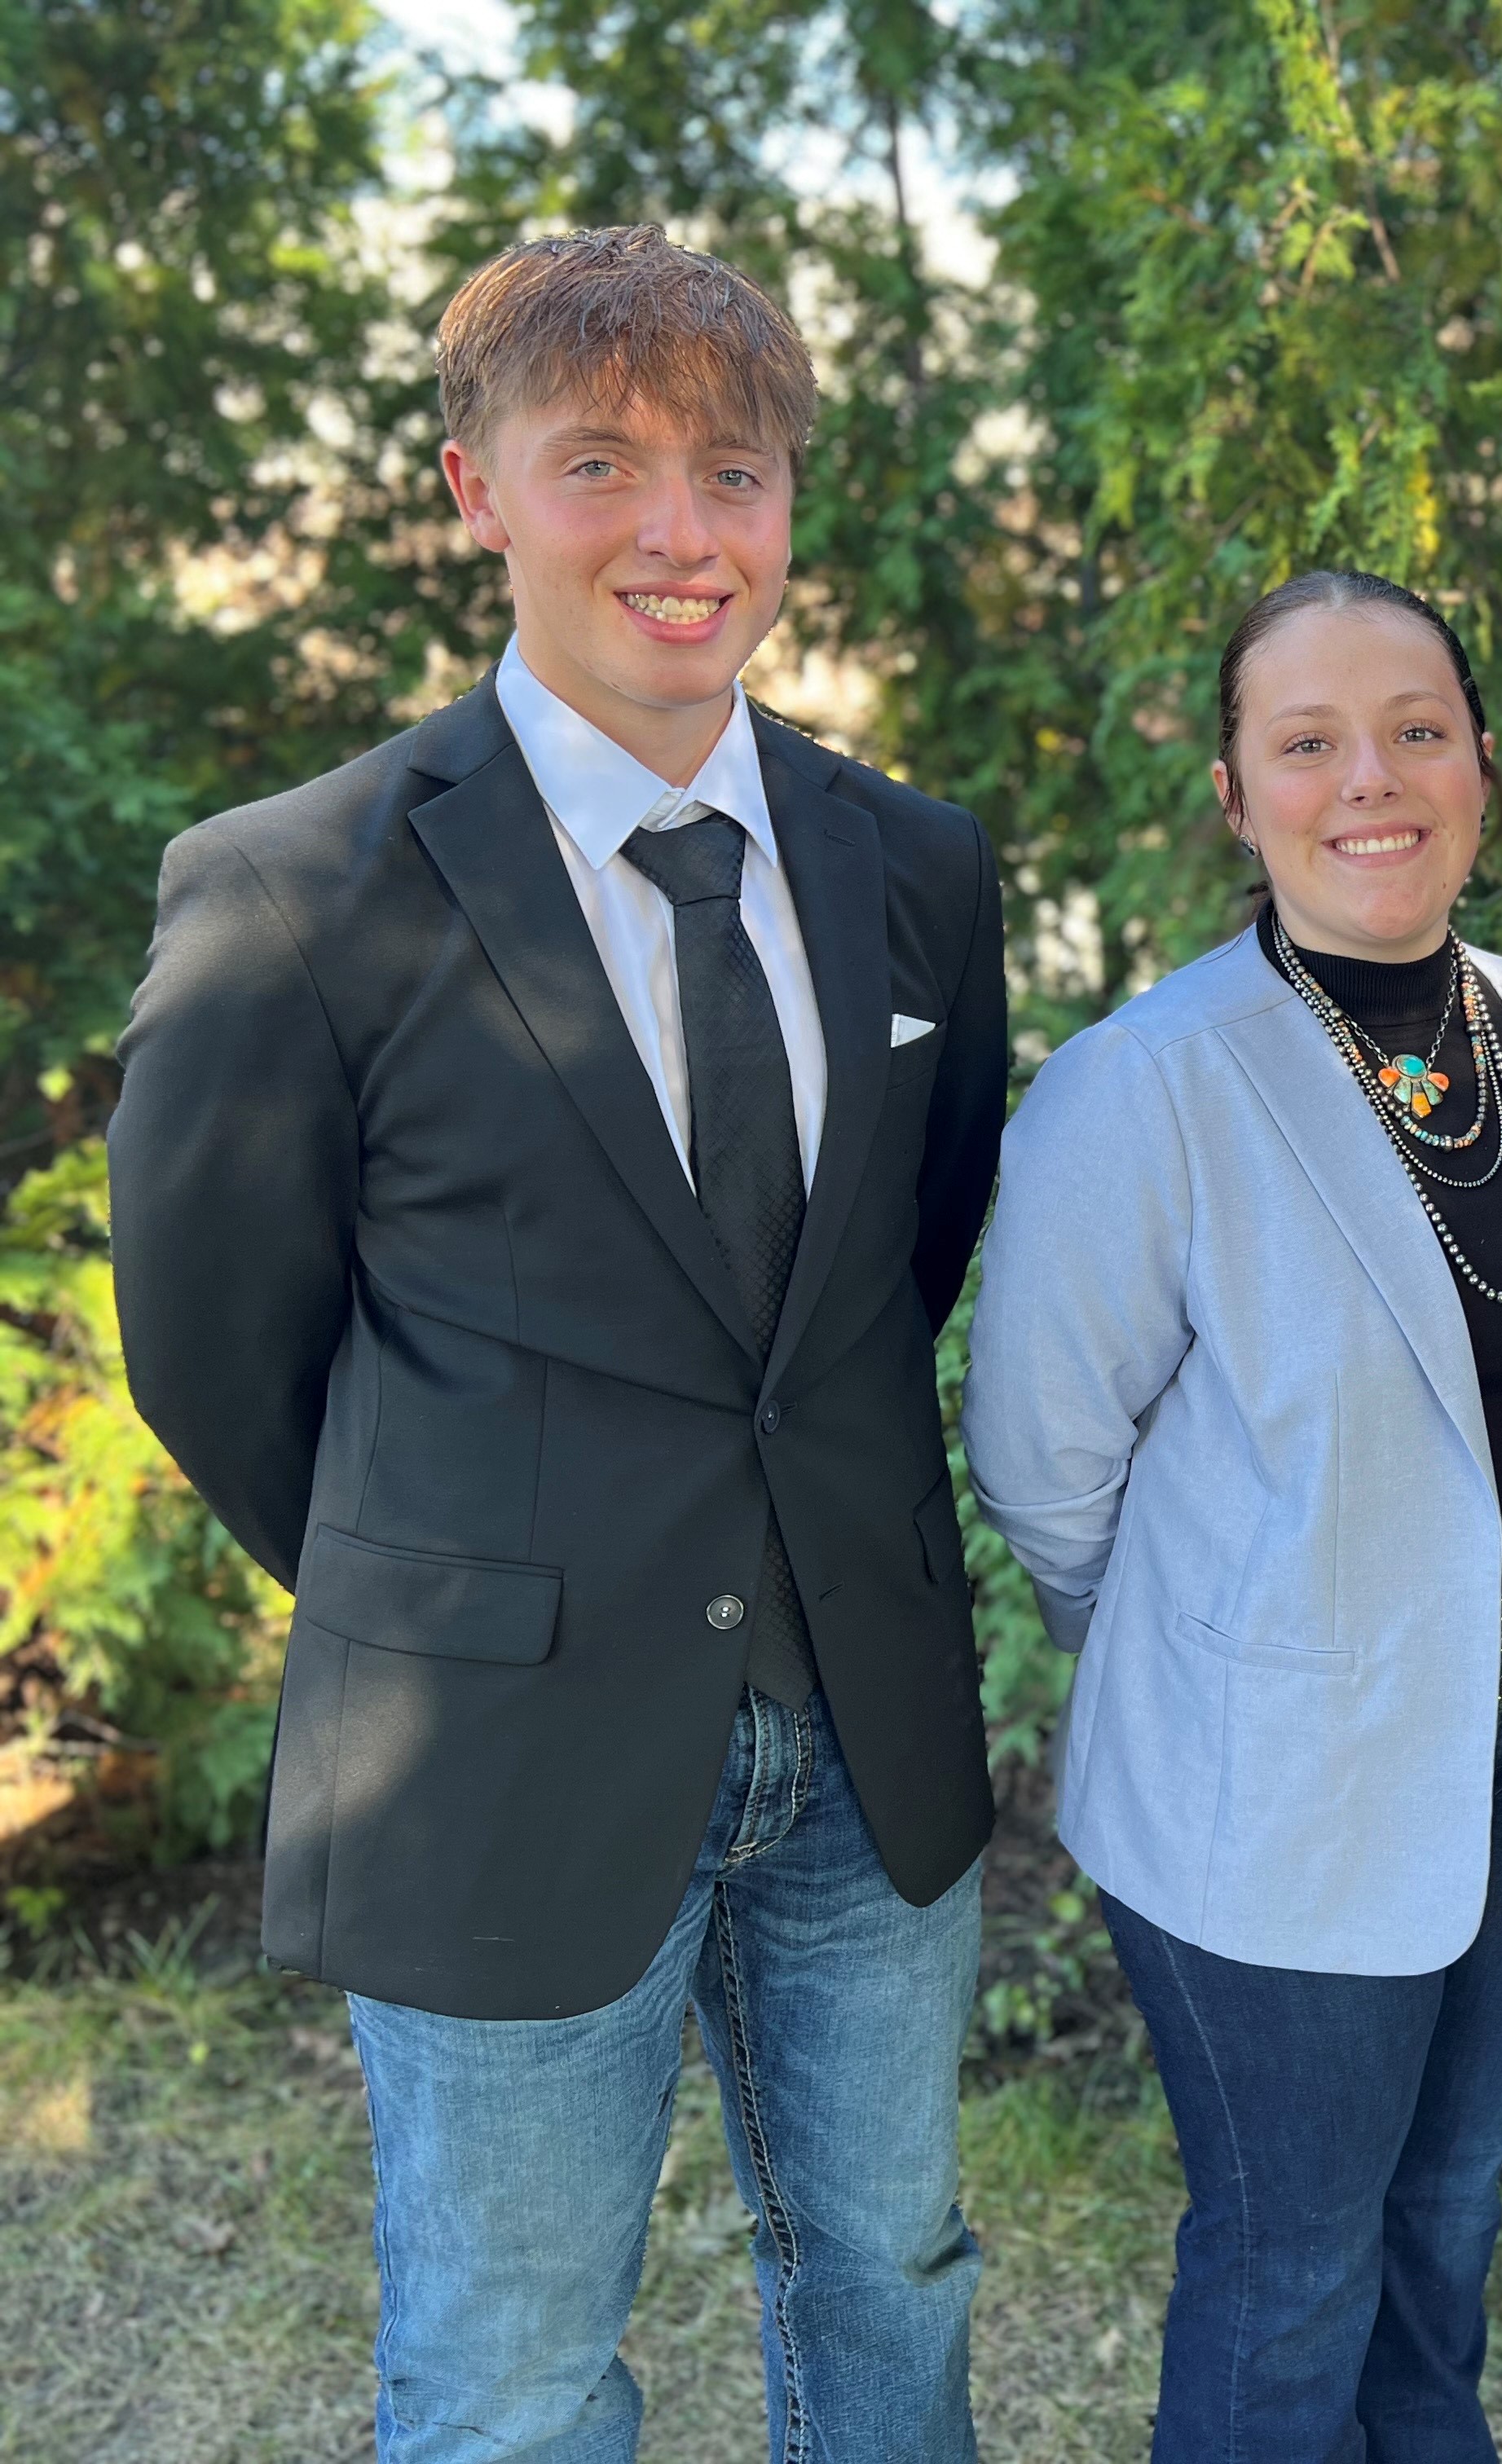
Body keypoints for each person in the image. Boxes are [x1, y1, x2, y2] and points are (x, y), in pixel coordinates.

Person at [105, 227, 1007, 2461]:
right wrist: (460, 1580)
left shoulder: (916, 870)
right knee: (512, 2374)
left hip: (861, 1728)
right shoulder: (295, 892)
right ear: (476, 491)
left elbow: (900, 1262)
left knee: (890, 2276)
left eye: (732, 470)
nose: (679, 531)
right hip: (494, 1741)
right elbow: (220, 1354)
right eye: (600, 462)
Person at [961, 570, 1502, 2461]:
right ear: (1236, 795)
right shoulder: (1144, 1087)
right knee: (1294, 2268)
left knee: (1442, 2224)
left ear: (1482, 766)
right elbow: (1044, 1466)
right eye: (1309, 742)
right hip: (1277, 1774)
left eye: (1417, 731)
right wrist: (1235, 1657)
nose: (1371, 782)